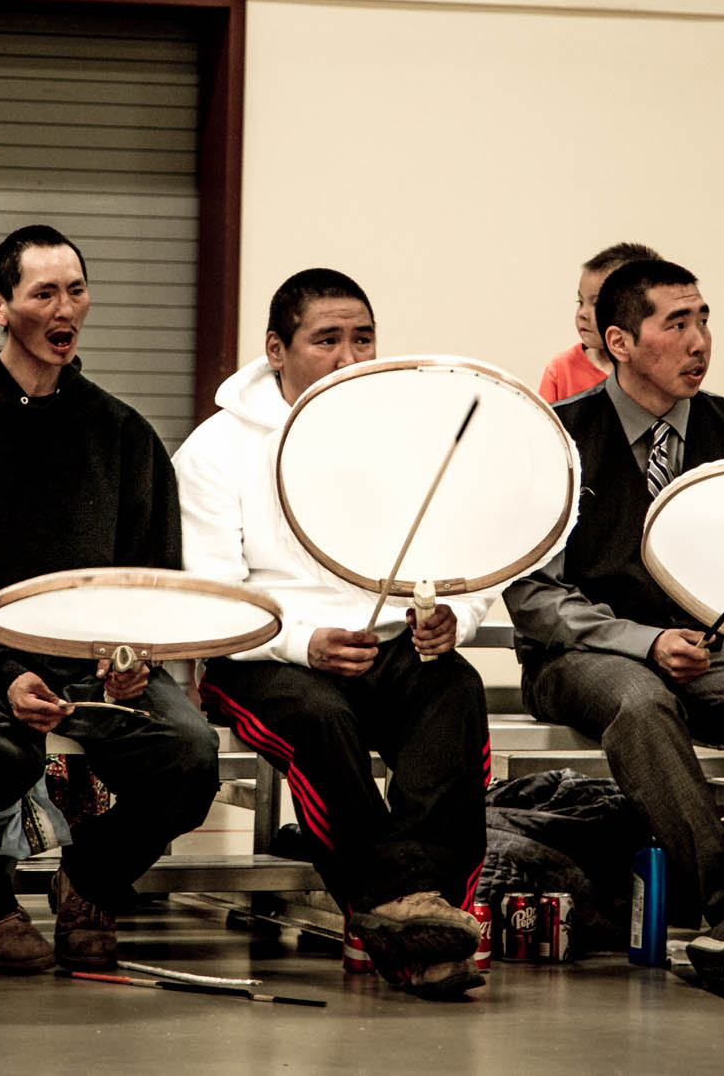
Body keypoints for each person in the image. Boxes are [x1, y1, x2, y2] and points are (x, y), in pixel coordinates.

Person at [504, 258, 724, 995]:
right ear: (620, 341)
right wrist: (645, 641)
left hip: (713, 657)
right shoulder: (558, 439)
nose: (700, 341)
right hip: (586, 656)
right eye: (676, 323)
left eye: (704, 320)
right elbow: (533, 596)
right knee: (641, 700)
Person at [0, 225, 219, 975]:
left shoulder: (125, 434)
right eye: (43, 292)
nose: (63, 308)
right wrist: (6, 671)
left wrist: (131, 661)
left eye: (75, 290)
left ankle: (94, 880)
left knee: (189, 753)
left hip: (89, 662)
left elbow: (154, 581)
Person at [176, 268, 492, 1000]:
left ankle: (425, 909)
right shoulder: (216, 450)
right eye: (328, 340)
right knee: (321, 718)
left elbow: (471, 561)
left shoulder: (406, 439)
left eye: (364, 338)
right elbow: (216, 597)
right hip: (260, 655)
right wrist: (302, 643)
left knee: (454, 686)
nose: (352, 357)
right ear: (276, 349)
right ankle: (403, 912)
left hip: (388, 643)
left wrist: (454, 615)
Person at [539, 242, 661, 403]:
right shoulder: (560, 371)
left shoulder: (661, 372)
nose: (582, 313)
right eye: (580, 301)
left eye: (597, 303)